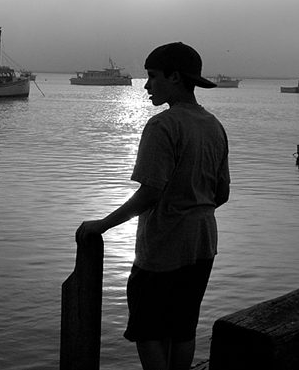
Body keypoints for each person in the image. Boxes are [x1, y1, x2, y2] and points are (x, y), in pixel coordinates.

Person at [76, 42, 230, 370]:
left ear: (174, 77)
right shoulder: (214, 126)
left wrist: (101, 225)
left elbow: (150, 194)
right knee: (182, 327)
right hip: (204, 243)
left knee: (147, 329)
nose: (146, 85)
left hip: (164, 247)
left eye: (152, 76)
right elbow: (222, 193)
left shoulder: (162, 126)